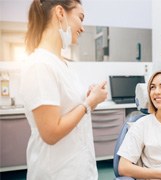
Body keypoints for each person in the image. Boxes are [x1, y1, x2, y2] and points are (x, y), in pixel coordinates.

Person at [20, 0, 107, 179]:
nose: (82, 28)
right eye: (80, 18)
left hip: (79, 169)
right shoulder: (39, 65)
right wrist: (89, 103)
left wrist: (89, 99)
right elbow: (51, 133)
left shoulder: (63, 64)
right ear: (60, 13)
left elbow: (72, 110)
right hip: (56, 172)